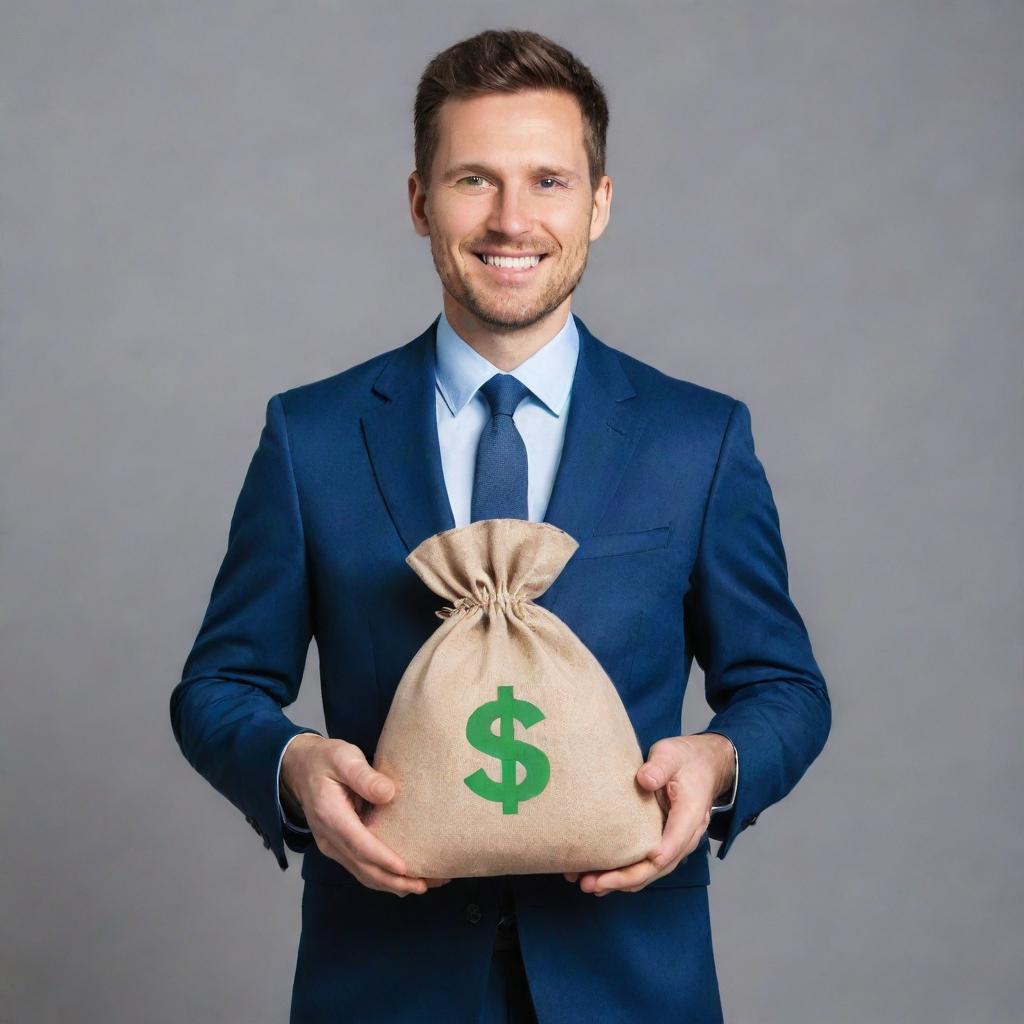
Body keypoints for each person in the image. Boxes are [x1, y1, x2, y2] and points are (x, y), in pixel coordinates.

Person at [170, 28, 831, 1024]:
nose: (512, 219)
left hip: (631, 978)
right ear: (417, 201)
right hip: (383, 981)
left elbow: (781, 685)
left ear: (599, 203)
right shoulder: (311, 438)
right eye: (473, 180)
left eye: (549, 182)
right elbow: (218, 684)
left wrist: (719, 764)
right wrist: (292, 767)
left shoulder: (696, 439)